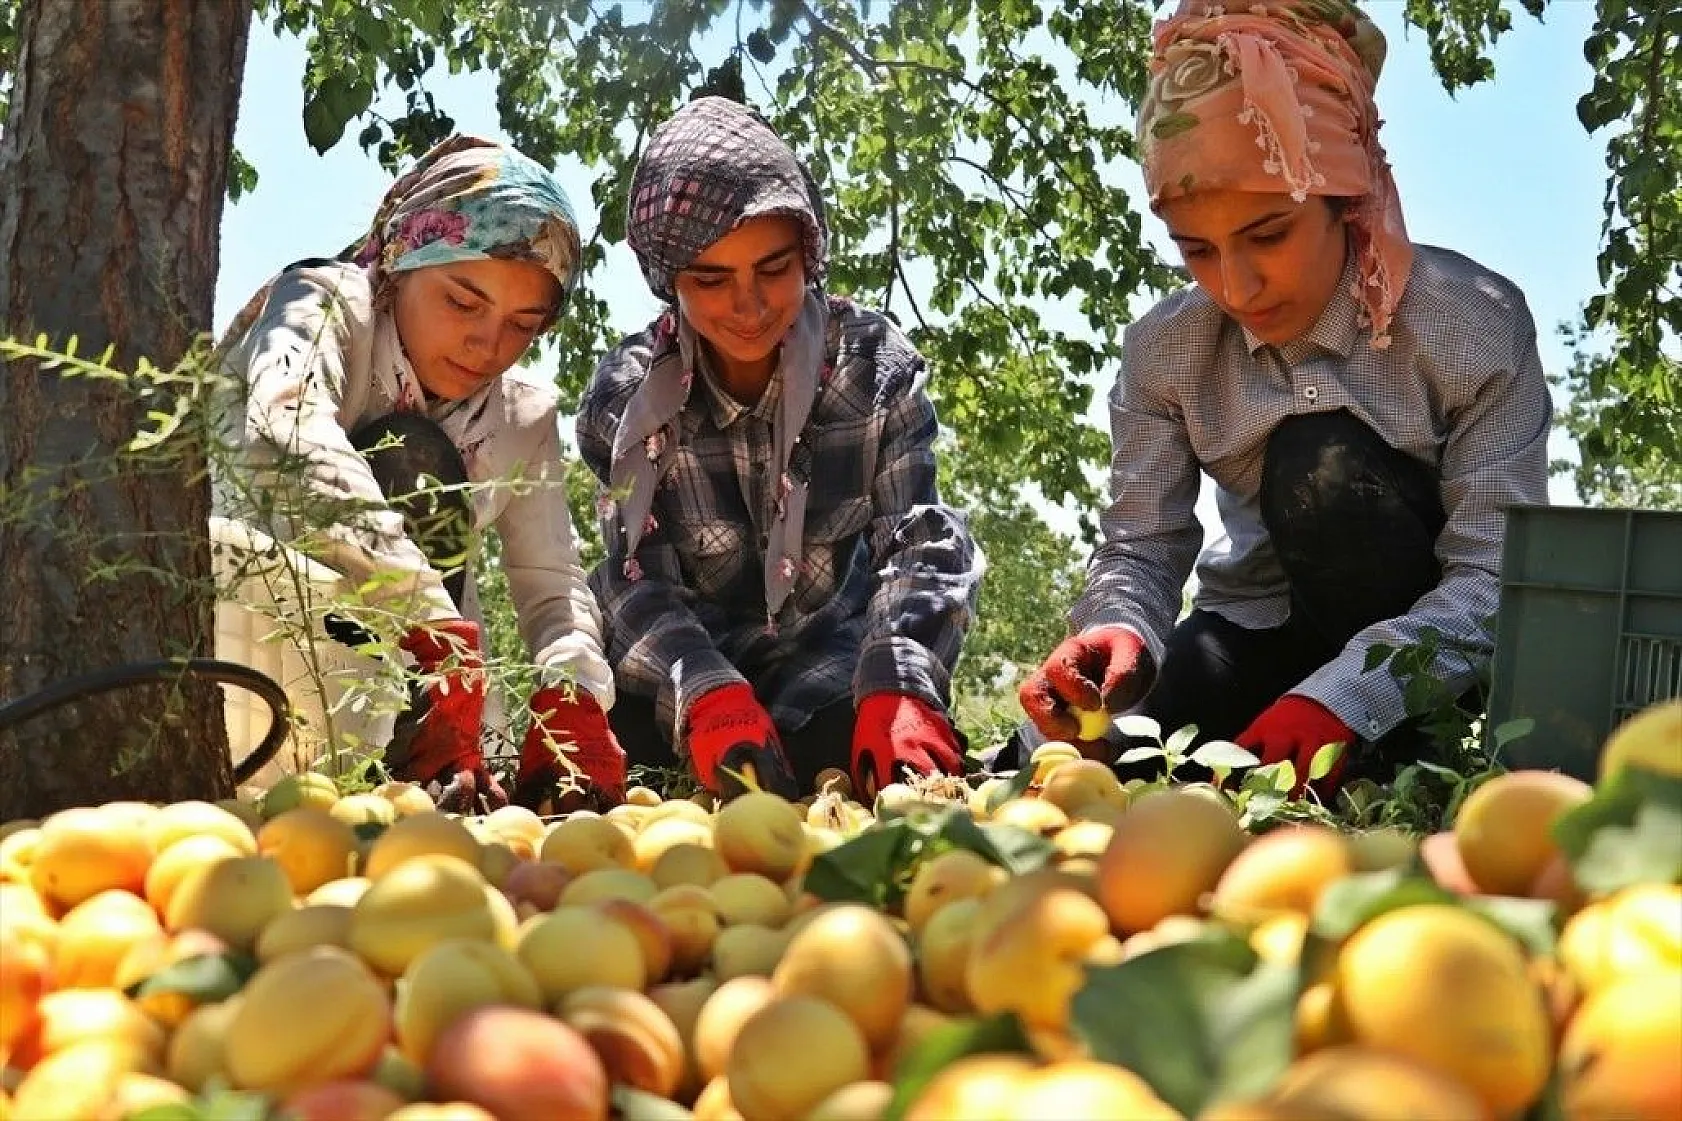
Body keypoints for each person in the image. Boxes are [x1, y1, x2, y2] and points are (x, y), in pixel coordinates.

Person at [1017, 0, 1552, 794]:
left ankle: (1388, 753)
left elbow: (1493, 573)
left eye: (1268, 235)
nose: (1236, 287)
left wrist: (1348, 699)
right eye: (1196, 250)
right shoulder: (1165, 351)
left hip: (1427, 659)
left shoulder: (1471, 327)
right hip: (1253, 632)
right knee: (1095, 752)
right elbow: (1141, 545)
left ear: (1347, 198)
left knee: (1318, 459)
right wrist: (1115, 627)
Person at [577, 97, 984, 803]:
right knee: (621, 768)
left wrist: (899, 680)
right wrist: (707, 693)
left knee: (861, 764)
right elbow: (633, 579)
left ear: (809, 254)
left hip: (829, 667)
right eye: (711, 280)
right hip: (682, 673)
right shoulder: (625, 400)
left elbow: (917, 539)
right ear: (669, 279)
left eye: (774, 268)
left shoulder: (873, 369)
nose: (750, 305)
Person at [216, 135, 624, 814]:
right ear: (402, 262)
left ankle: (425, 761)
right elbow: (283, 430)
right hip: (260, 640)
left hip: (427, 693)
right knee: (409, 453)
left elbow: (553, 587)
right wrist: (427, 618)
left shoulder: (521, 417)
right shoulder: (321, 307)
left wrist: (573, 692)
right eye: (463, 303)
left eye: (523, 324)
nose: (488, 344)